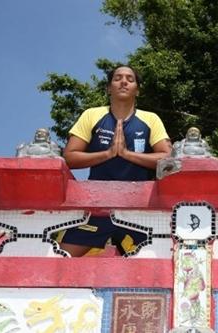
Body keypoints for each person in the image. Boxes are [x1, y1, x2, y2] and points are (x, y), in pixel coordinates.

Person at [58, 65, 172, 257]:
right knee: (61, 260)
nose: (124, 81)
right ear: (108, 88)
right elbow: (70, 156)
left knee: (154, 265)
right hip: (96, 205)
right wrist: (108, 154)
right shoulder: (92, 115)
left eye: (130, 78)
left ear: (137, 89)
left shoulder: (150, 119)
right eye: (117, 78)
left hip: (139, 207)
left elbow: (167, 159)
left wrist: (127, 154)